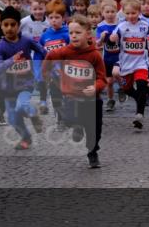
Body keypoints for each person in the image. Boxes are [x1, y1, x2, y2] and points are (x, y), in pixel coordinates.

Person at [44, 14, 107, 168]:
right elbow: (50, 57)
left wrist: (95, 87)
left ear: (87, 34)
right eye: (71, 33)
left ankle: (92, 152)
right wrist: (45, 75)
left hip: (93, 99)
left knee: (95, 131)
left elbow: (102, 79)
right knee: (70, 117)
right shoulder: (65, 52)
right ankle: (77, 126)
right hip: (72, 97)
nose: (73, 36)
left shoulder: (95, 56)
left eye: (78, 33)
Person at [0, 6, 45, 149]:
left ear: (18, 25)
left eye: (12, 24)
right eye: (6, 25)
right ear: (1, 26)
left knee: (21, 105)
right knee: (12, 118)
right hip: (8, 87)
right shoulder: (0, 47)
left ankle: (34, 114)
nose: (9, 28)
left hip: (25, 83)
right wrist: (11, 60)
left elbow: (42, 51)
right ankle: (26, 138)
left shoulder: (26, 41)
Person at [107, 0, 149, 130]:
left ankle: (139, 114)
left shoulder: (144, 25)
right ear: (123, 12)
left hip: (141, 62)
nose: (131, 16)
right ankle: (139, 96)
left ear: (139, 12)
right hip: (126, 63)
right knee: (127, 89)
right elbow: (113, 38)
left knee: (141, 85)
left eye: (133, 13)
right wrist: (113, 39)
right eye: (128, 13)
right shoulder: (121, 26)